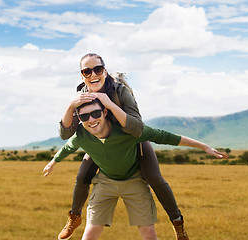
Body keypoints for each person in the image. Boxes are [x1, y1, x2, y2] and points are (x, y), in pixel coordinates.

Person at [54, 53, 214, 240]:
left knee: (155, 178)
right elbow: (66, 134)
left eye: (97, 69)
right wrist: (70, 106)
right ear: (82, 76)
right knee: (82, 176)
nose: (92, 75)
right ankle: (74, 218)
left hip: (132, 139)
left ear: (104, 70)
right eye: (86, 71)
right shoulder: (81, 97)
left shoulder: (119, 91)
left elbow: (137, 128)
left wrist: (109, 104)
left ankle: (177, 223)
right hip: (102, 144)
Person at [43, 99, 228, 240]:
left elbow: (166, 137)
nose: (91, 120)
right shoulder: (81, 136)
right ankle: (74, 218)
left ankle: (178, 222)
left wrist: (204, 147)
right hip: (105, 182)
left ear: (105, 112)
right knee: (89, 233)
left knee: (148, 232)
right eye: (84, 117)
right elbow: (67, 147)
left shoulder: (127, 131)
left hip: (134, 180)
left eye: (95, 113)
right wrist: (53, 162)